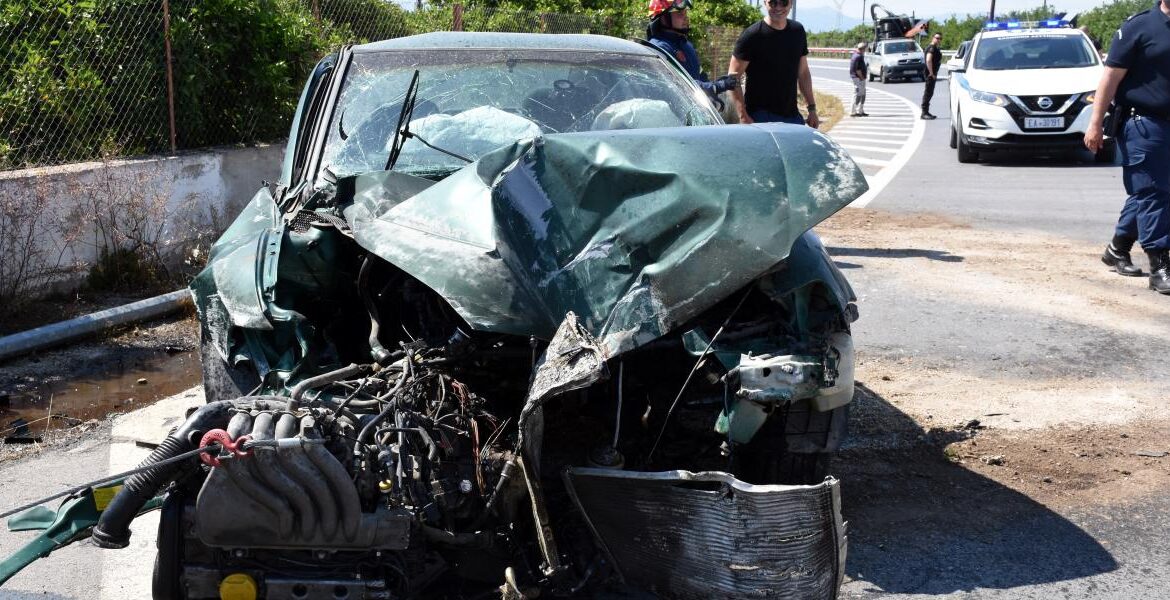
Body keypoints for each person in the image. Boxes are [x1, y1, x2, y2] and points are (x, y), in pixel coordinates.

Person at [1084, 0, 1170, 294]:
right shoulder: (1139, 27)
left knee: (1150, 189)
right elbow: (1110, 77)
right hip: (1145, 123)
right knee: (1154, 192)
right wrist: (1095, 123)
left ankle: (1118, 248)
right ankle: (1160, 266)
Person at [726, 0, 819, 127]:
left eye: (784, 2)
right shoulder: (752, 35)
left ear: (791, 3)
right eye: (773, 3)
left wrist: (812, 108)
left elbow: (803, 73)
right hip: (760, 117)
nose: (778, 7)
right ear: (765, 2)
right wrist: (743, 116)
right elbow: (733, 77)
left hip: (792, 116)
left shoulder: (797, 31)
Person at [646, 0, 737, 100]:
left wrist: (711, 95)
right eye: (680, 13)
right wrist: (717, 87)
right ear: (664, 19)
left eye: (686, 13)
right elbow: (680, 84)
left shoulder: (686, 45)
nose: (686, 17)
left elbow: (700, 75)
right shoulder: (659, 48)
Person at [921, 32, 942, 119]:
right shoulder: (932, 48)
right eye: (937, 38)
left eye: (940, 38)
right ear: (933, 38)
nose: (938, 40)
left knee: (929, 92)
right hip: (930, 74)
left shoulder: (933, 47)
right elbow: (928, 60)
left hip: (931, 73)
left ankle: (926, 112)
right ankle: (924, 113)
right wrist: (931, 73)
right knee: (928, 92)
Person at [850, 42, 869, 117]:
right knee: (858, 94)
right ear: (863, 49)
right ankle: (854, 111)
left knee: (862, 93)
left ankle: (860, 110)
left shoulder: (856, 55)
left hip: (857, 77)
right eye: (865, 49)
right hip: (858, 78)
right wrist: (862, 77)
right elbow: (858, 70)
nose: (865, 50)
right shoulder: (858, 56)